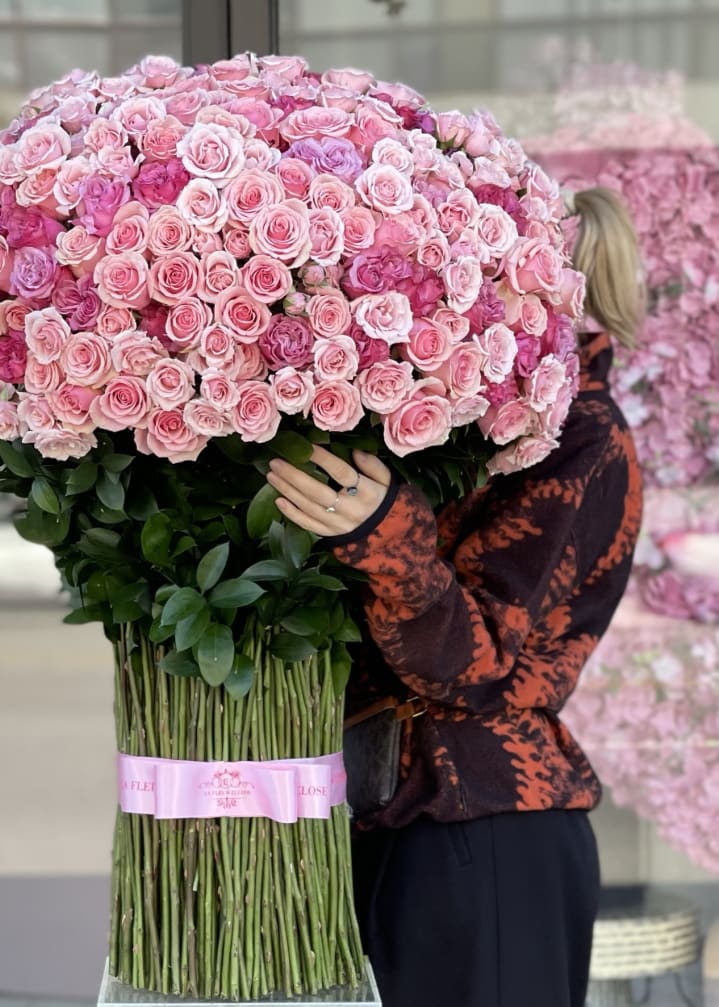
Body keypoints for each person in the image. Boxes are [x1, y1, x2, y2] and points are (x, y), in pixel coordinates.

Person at [266, 186, 644, 1007]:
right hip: (400, 818)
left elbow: (474, 663)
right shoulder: (472, 424)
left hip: (481, 827)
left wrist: (382, 534)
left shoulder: (579, 436)